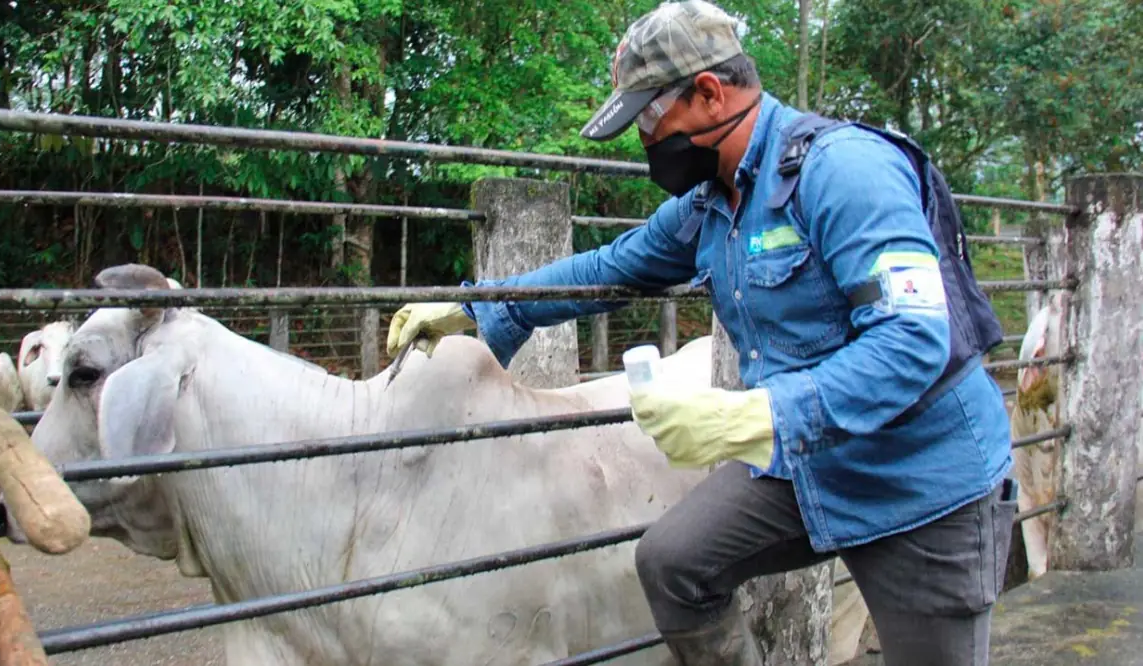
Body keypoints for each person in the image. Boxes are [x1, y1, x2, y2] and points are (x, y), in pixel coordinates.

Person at [385, 1, 1017, 664]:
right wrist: (483, 310)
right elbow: (608, 268)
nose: (645, 141)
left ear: (710, 93)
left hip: (921, 480)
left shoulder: (844, 171)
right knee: (673, 564)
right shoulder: (711, 203)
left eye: (650, 118)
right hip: (812, 466)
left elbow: (912, 339)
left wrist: (754, 416)